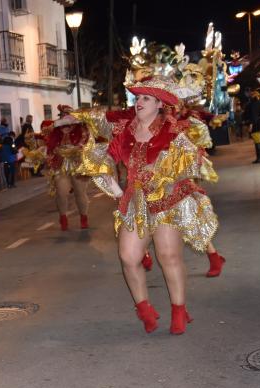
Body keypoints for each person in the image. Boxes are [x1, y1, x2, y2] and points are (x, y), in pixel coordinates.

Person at [86, 76, 219, 335]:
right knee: (128, 256)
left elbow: (193, 162)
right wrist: (115, 189)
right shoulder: (124, 131)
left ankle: (179, 310)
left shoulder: (172, 132)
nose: (139, 103)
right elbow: (103, 161)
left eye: (146, 98)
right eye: (137, 98)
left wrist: (162, 171)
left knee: (168, 256)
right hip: (136, 203)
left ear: (159, 104)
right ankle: (144, 308)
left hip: (166, 201)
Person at [45, 108, 94, 230]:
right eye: (62, 115)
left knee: (80, 192)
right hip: (60, 165)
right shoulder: (55, 131)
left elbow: (88, 144)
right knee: (61, 193)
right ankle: (63, 217)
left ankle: (83, 217)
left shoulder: (82, 129)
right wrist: (53, 152)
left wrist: (77, 150)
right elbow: (50, 147)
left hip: (77, 164)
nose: (65, 117)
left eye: (67, 115)